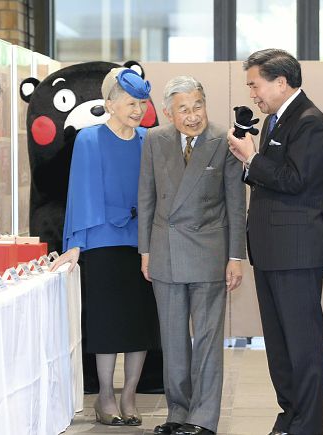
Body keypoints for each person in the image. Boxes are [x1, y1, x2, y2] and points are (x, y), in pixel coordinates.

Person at [227, 48, 323, 435]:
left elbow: (295, 180)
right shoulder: (277, 120)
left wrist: (252, 158)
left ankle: (306, 426)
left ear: (280, 82)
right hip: (272, 251)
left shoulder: (310, 122)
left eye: (255, 85)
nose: (252, 94)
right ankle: (290, 417)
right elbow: (275, 177)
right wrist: (249, 161)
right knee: (280, 346)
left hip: (297, 252)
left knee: (303, 346)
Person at [50, 67, 161, 426]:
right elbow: (81, 193)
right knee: (107, 324)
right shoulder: (89, 139)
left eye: (142, 103)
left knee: (139, 323)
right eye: (131, 103)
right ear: (110, 104)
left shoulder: (148, 139)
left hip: (142, 245)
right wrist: (76, 244)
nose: (138, 110)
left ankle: (129, 395)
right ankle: (106, 396)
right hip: (101, 242)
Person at [138, 76, 246, 435]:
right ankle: (178, 412)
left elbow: (236, 203)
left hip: (209, 253)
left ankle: (203, 418)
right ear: (169, 113)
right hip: (165, 251)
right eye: (183, 109)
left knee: (208, 340)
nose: (193, 115)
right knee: (173, 339)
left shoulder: (223, 140)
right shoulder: (155, 140)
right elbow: (146, 197)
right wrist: (145, 250)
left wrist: (236, 256)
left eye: (198, 105)